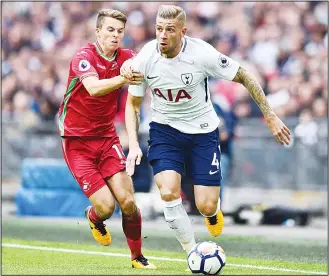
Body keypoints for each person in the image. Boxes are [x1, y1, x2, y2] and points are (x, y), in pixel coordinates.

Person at [121, 4, 291, 255]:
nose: (162, 35)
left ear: (183, 32)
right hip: (164, 131)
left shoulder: (202, 54)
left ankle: (212, 213)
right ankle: (192, 251)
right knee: (168, 191)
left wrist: (271, 116)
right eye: (158, 29)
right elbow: (133, 104)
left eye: (169, 30)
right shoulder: (145, 58)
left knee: (206, 205)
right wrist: (134, 144)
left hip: (203, 132)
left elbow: (244, 75)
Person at [58, 9, 155, 269]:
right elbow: (93, 88)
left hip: (106, 138)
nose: (115, 35)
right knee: (106, 208)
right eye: (110, 30)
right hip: (76, 142)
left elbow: (145, 64)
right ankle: (94, 217)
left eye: (119, 31)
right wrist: (124, 77)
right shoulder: (83, 57)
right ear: (98, 31)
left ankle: (137, 257)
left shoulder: (126, 57)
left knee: (129, 201)